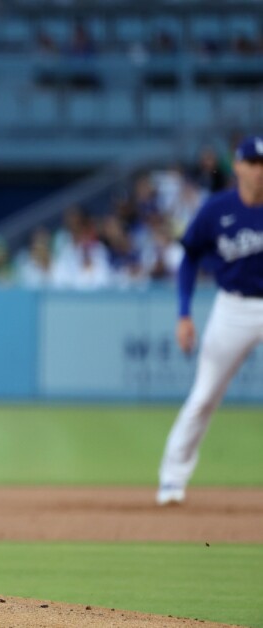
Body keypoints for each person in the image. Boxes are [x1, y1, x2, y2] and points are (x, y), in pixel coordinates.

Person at [156, 134, 263, 506]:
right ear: (237, 166)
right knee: (203, 398)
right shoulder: (217, 209)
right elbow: (188, 259)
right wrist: (183, 313)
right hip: (233, 308)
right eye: (253, 163)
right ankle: (171, 480)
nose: (259, 171)